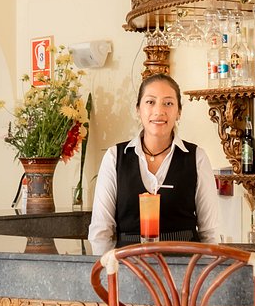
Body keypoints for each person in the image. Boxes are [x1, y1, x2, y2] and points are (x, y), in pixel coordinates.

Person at [88, 73, 219, 249]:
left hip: (185, 263)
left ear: (179, 112)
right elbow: (100, 232)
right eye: (150, 102)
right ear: (138, 109)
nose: (159, 111)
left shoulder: (197, 158)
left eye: (168, 103)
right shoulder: (114, 157)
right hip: (128, 263)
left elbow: (209, 233)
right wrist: (105, 266)